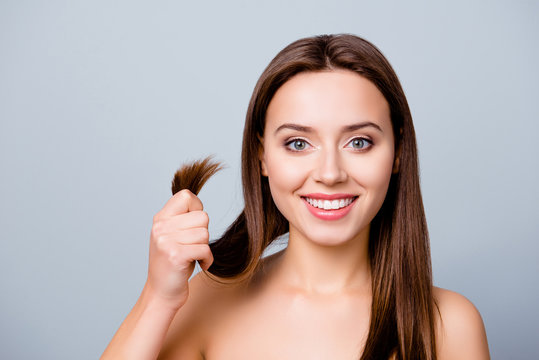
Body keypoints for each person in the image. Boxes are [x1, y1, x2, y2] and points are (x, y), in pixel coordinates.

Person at [101, 34, 490, 359]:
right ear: (262, 156)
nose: (330, 173)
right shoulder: (204, 301)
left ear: (398, 153)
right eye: (298, 143)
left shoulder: (449, 325)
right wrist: (157, 298)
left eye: (359, 142)